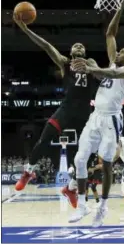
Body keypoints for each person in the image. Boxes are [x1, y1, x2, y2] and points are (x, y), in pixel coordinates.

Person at [69, 0, 124, 227]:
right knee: (79, 159)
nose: (118, 53)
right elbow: (110, 33)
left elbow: (111, 73)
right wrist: (121, 7)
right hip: (95, 117)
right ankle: (82, 205)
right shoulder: (113, 63)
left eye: (123, 52)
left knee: (107, 164)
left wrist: (93, 69)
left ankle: (103, 207)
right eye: (119, 51)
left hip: (111, 120)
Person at [13, 15, 98, 204]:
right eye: (75, 46)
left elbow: (101, 73)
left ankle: (71, 188)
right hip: (67, 108)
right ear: (70, 51)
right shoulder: (65, 63)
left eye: (81, 46)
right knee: (46, 137)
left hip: (85, 112)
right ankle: (28, 171)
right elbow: (45, 45)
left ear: (84, 52)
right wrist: (26, 30)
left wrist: (91, 69)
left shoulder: (91, 63)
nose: (78, 46)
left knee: (87, 153)